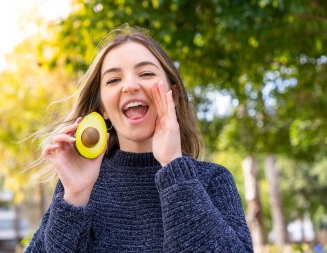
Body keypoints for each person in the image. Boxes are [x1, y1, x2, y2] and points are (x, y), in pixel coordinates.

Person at [25, 26, 253, 252]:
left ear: (172, 95)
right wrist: (76, 195)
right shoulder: (75, 190)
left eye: (146, 74)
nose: (130, 86)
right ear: (103, 108)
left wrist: (174, 167)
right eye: (113, 80)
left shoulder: (213, 179)